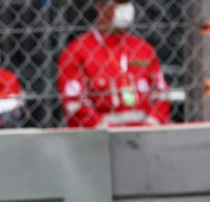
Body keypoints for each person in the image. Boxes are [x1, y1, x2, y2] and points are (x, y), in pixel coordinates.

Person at [58, 0, 169, 128]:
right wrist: (109, 132)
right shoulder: (77, 52)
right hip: (99, 140)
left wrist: (150, 126)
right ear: (100, 6)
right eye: (119, 3)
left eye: (128, 3)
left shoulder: (143, 49)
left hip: (144, 138)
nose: (126, 9)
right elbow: (75, 104)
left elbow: (162, 95)